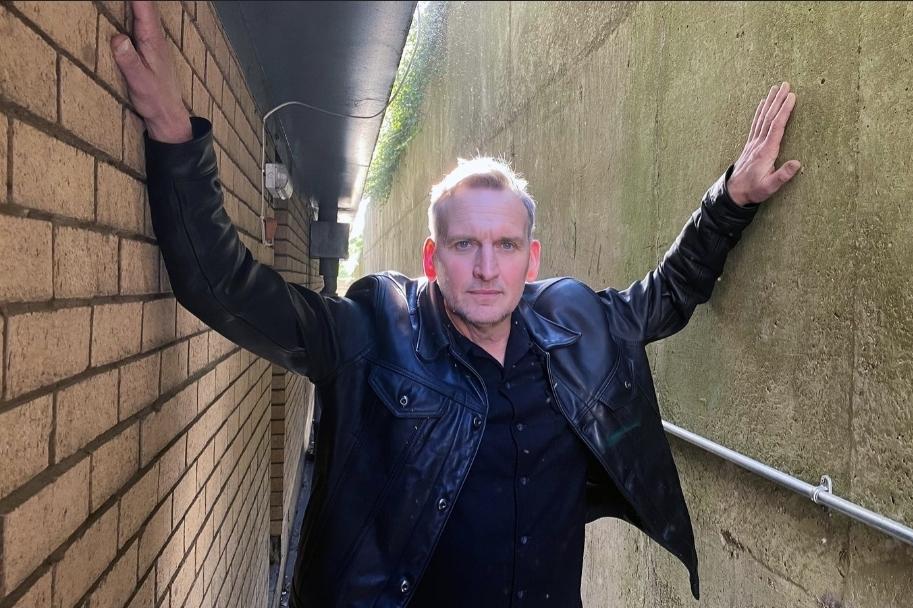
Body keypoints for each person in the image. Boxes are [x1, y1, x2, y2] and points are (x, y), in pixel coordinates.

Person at [113, 2, 800, 606]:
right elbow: (226, 289)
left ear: (530, 260)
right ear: (432, 259)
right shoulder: (371, 336)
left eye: (504, 245)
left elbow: (668, 293)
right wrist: (175, 132)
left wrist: (732, 197)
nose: (484, 267)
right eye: (464, 245)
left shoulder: (579, 325)